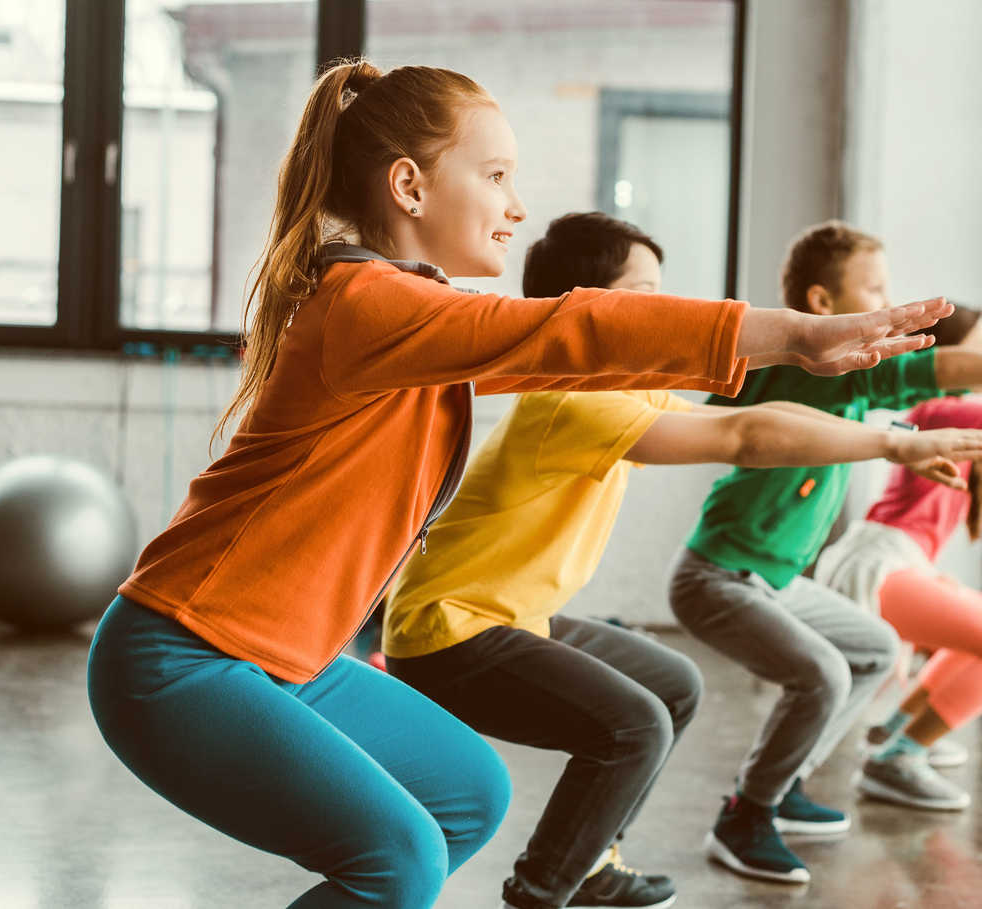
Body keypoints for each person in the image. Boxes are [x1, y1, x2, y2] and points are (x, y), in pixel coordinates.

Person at [86, 62, 950, 908]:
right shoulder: (365, 306)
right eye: (496, 175)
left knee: (468, 794)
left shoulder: (412, 319)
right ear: (409, 187)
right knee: (399, 857)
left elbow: (577, 345)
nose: (517, 205)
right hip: (184, 653)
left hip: (286, 659)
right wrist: (794, 336)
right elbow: (574, 330)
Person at [381, 213, 982, 909]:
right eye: (645, 294)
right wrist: (890, 447)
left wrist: (890, 441)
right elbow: (744, 432)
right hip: (449, 631)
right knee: (634, 724)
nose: (664, 312)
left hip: (513, 617)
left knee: (673, 682)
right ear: (586, 310)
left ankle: (594, 858)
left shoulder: (619, 386)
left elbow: (759, 414)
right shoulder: (572, 397)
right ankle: (541, 891)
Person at [667, 221, 982, 886]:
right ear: (820, 304)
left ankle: (785, 780)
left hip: (773, 576)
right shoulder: (813, 372)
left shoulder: (846, 381)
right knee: (824, 676)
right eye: (873, 289)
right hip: (720, 573)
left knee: (868, 649)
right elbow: (943, 369)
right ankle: (746, 814)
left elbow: (925, 388)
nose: (885, 301)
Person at [816, 394, 982, 811]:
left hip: (896, 560)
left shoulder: (954, 420)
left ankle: (897, 730)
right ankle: (897, 758)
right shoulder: (941, 411)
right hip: (878, 563)